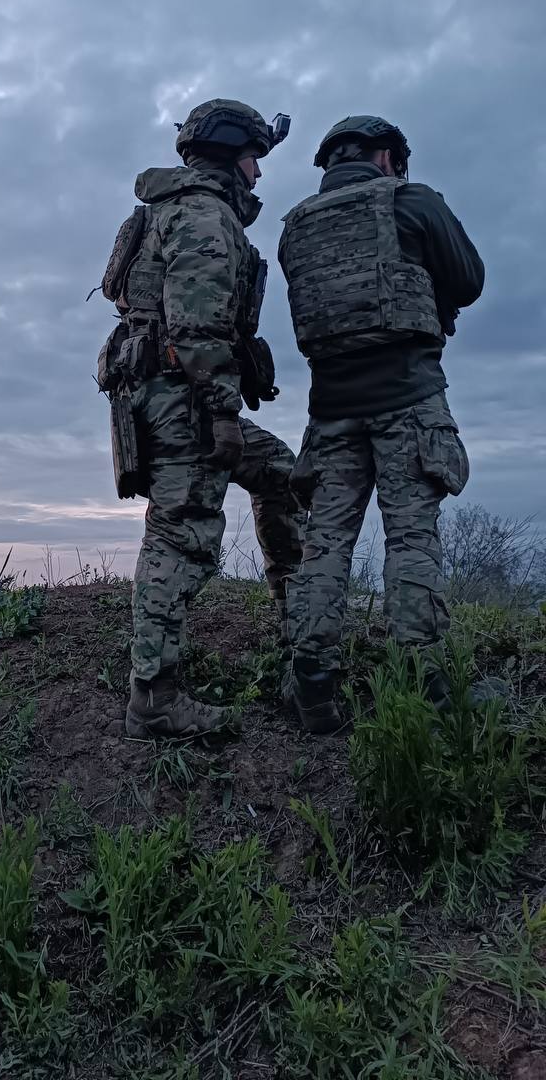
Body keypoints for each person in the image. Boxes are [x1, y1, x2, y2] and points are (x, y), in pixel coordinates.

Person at [96, 99, 304, 739]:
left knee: (282, 476)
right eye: (254, 159)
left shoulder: (169, 210)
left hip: (166, 394)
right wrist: (222, 410)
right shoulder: (205, 217)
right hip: (186, 401)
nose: (258, 175)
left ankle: (300, 632)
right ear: (228, 155)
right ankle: (154, 697)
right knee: (181, 535)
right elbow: (195, 327)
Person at [278, 115, 485, 733]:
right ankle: (428, 690)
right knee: (411, 540)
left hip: (330, 411)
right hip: (409, 399)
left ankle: (312, 687)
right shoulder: (412, 202)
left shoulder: (295, 228)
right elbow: (468, 282)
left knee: (324, 545)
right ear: (389, 157)